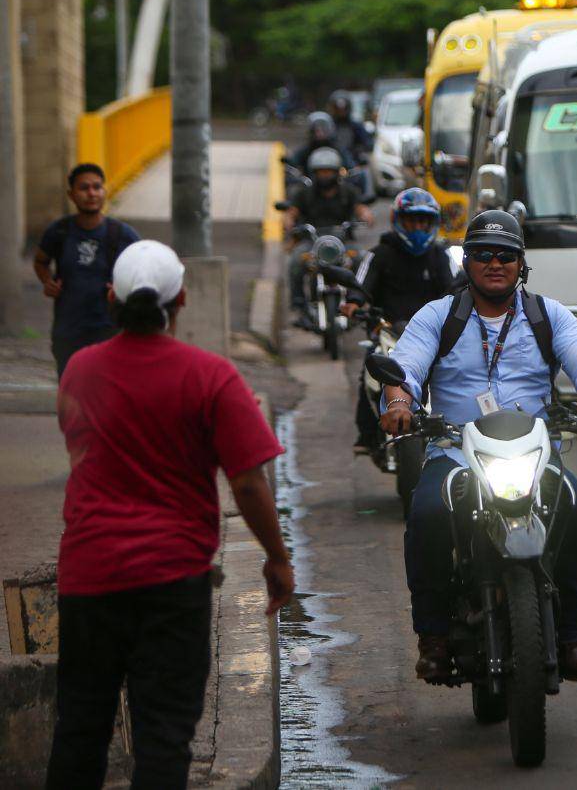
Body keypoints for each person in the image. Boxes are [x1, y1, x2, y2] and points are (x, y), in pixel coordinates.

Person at [46, 240, 293, 790]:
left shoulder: (80, 370)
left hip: (88, 579)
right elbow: (249, 482)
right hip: (171, 582)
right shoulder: (211, 377)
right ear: (181, 299)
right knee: (163, 737)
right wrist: (277, 559)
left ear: (111, 297)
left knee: (80, 729)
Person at [380, 210, 577, 683]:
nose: (495, 264)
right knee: (426, 514)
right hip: (454, 451)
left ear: (521, 264)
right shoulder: (437, 315)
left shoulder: (549, 315)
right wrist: (398, 402)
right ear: (467, 263)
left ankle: (574, 637)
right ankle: (432, 638)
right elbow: (403, 369)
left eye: (506, 255)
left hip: (533, 454)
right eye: (484, 255)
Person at [343, 188, 455, 453]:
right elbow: (360, 284)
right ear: (398, 220)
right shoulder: (380, 253)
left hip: (432, 336)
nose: (417, 227)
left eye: (423, 222)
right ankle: (367, 434)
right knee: (370, 372)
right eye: (411, 221)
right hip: (387, 330)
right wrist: (353, 303)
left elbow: (456, 290)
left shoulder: (440, 257)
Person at [33, 163, 140, 378]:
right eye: (84, 188)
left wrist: (125, 289)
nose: (91, 193)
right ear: (71, 194)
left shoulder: (122, 234)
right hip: (68, 331)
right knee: (70, 393)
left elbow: (143, 269)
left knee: (107, 393)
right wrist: (47, 282)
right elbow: (40, 261)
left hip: (109, 329)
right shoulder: (59, 231)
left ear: (104, 191)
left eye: (97, 187)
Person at [283, 146, 373, 325]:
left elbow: (360, 208)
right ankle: (299, 305)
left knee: (363, 260)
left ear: (336, 172)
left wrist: (366, 215)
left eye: (329, 171)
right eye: (321, 171)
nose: (325, 175)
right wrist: (288, 221)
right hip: (312, 242)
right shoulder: (304, 193)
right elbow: (292, 212)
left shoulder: (348, 192)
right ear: (314, 173)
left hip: (343, 242)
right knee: (295, 261)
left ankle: (358, 302)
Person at [286, 111, 353, 172]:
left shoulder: (337, 148)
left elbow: (349, 164)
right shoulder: (307, 149)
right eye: (316, 130)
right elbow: (293, 162)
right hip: (311, 183)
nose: (320, 133)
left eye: (323, 130)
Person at [329, 93, 373, 164]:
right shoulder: (328, 126)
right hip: (329, 160)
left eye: (343, 109)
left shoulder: (356, 126)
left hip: (352, 161)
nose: (341, 112)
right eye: (338, 110)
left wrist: (360, 149)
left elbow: (368, 142)